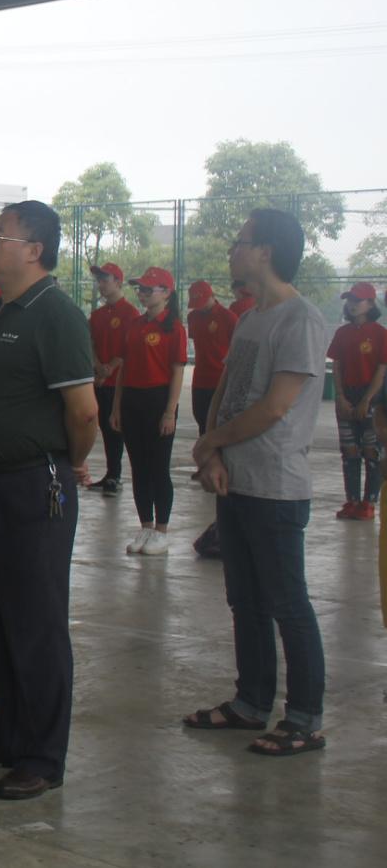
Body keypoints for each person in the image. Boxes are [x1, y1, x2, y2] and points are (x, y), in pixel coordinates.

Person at [0, 200, 98, 801]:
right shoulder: (0, 311)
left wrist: (69, 461)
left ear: (34, 250)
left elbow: (84, 412)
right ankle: (3, 733)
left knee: (35, 624)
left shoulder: (55, 315)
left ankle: (42, 756)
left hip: (32, 486)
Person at [186, 208, 329, 757]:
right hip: (235, 482)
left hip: (275, 488)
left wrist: (211, 443)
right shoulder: (249, 319)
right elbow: (226, 391)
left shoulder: (301, 320)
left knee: (287, 604)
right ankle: (251, 702)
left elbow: (274, 407)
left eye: (240, 242)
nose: (233, 251)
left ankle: (304, 719)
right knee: (245, 601)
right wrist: (213, 449)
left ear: (266, 251)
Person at [110, 267, 188, 556]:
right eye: (140, 289)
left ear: (166, 293)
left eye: (148, 289)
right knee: (139, 467)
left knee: (158, 468)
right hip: (132, 400)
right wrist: (116, 408)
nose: (142, 294)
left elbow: (177, 372)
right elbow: (124, 369)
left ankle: (161, 531)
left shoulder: (174, 328)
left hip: (158, 400)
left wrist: (169, 411)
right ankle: (145, 526)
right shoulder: (135, 325)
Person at [326, 282, 386, 521]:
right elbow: (336, 366)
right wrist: (340, 396)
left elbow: (381, 371)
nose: (352, 305)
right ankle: (351, 501)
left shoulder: (380, 334)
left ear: (370, 304)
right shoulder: (342, 333)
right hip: (346, 396)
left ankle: (368, 502)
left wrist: (367, 400)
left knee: (371, 451)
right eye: (350, 300)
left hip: (372, 396)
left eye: (358, 300)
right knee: (349, 451)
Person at [87, 262, 138, 498]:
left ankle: (116, 475)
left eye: (105, 280)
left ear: (118, 282)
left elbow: (130, 348)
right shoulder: (97, 315)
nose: (101, 285)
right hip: (100, 381)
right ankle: (111, 473)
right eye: (99, 281)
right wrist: (98, 367)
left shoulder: (130, 313)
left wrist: (111, 367)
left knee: (116, 428)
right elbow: (90, 343)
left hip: (119, 383)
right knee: (106, 430)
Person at [186, 280, 236, 437]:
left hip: (220, 379)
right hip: (200, 378)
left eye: (202, 302)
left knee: (218, 424)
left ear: (212, 296)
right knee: (201, 419)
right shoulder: (193, 317)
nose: (199, 307)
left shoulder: (228, 317)